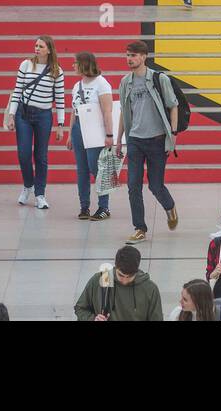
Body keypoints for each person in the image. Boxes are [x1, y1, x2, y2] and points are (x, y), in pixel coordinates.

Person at [115, 40, 180, 241]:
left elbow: (173, 106)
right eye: (127, 55)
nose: (129, 59)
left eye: (133, 55)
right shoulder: (126, 82)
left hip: (157, 140)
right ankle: (140, 228)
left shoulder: (160, 79)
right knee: (133, 185)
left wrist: (173, 136)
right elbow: (124, 113)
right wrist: (119, 140)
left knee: (155, 185)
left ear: (144, 57)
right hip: (135, 139)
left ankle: (170, 207)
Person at [6, 35, 65, 209]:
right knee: (23, 153)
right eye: (36, 45)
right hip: (24, 113)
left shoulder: (57, 71)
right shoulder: (25, 65)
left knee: (41, 156)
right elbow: (17, 91)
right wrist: (11, 115)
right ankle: (27, 185)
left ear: (49, 49)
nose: (37, 48)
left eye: (40, 46)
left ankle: (40, 194)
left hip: (44, 116)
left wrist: (61, 125)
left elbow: (60, 99)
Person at [69, 51, 115, 220]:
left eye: (75, 63)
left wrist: (109, 134)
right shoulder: (76, 85)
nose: (73, 66)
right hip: (78, 128)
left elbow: (107, 111)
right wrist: (70, 134)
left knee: (96, 168)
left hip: (95, 129)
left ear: (84, 64)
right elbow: (74, 111)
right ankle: (84, 206)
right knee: (81, 170)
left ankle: (104, 207)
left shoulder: (101, 83)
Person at [74, 245, 164, 320]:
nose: (124, 281)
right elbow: (80, 308)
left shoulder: (150, 289)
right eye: (121, 275)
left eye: (129, 277)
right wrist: (92, 319)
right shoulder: (101, 279)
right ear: (116, 266)